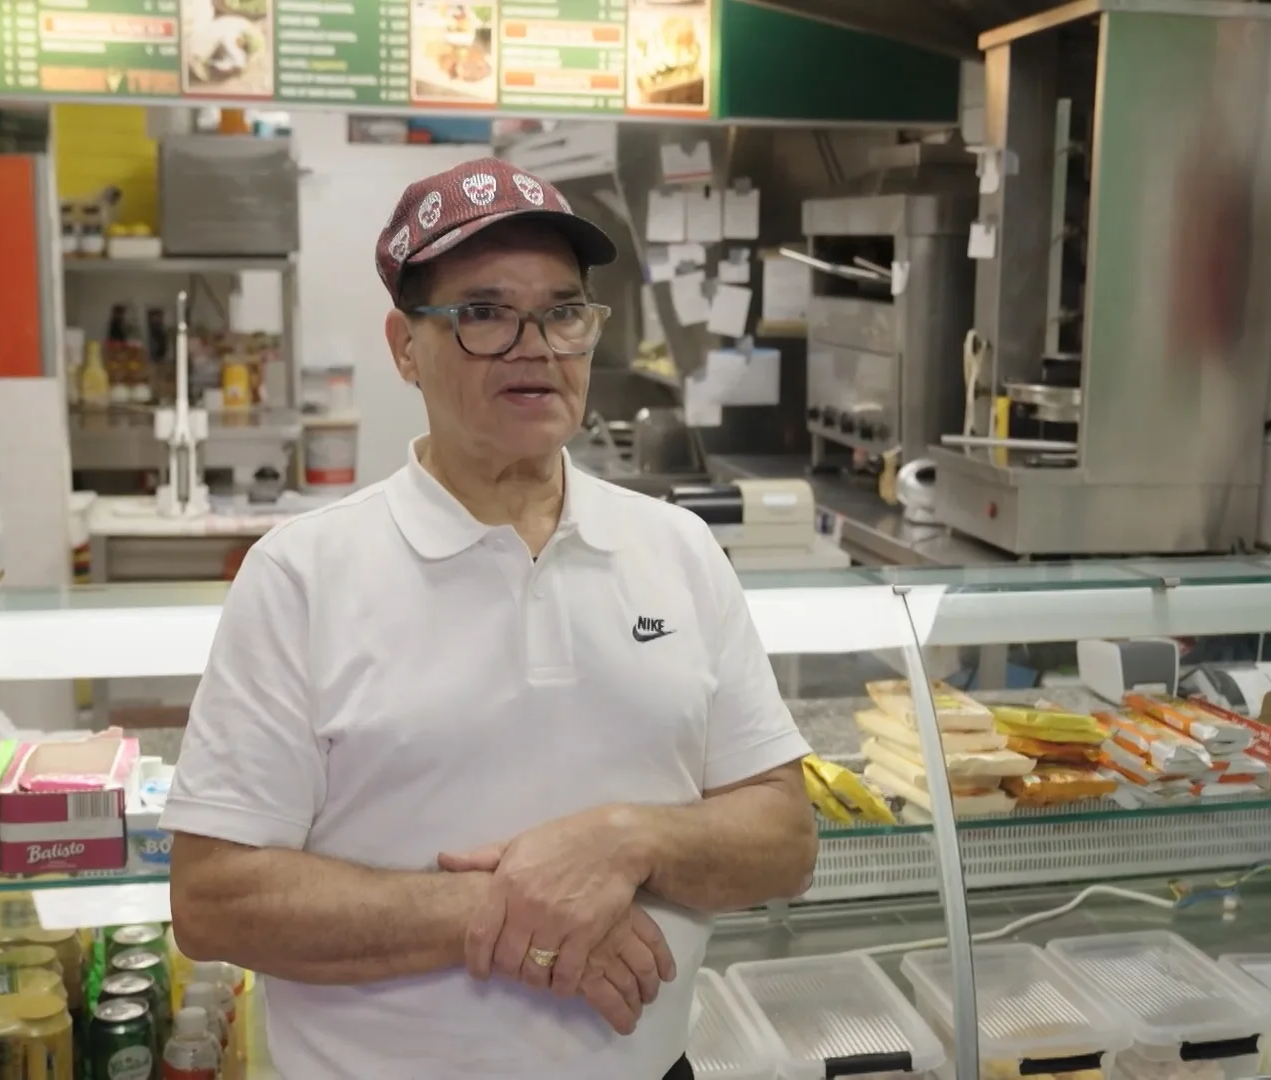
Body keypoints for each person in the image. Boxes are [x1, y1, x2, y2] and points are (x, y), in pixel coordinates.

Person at [161, 158, 818, 1080]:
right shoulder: (302, 577)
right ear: (403, 345)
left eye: (562, 311)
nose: (534, 344)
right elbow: (217, 900)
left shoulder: (677, 550)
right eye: (482, 313)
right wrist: (523, 908)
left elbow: (784, 841)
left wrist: (627, 842)